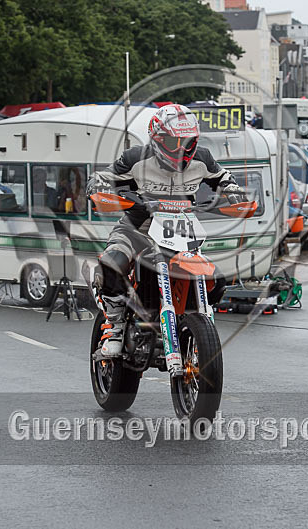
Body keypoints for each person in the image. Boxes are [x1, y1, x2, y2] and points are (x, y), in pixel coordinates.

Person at [87, 104, 243, 358]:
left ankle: (194, 323)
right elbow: (103, 177)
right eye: (173, 141)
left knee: (217, 280)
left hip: (182, 232)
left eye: (187, 141)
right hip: (137, 229)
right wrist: (98, 188)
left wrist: (234, 193)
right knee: (112, 263)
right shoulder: (135, 158)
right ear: (157, 139)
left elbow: (223, 177)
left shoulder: (202, 159)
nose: (181, 148)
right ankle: (114, 327)